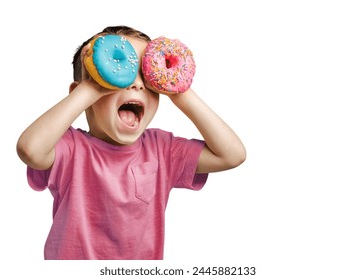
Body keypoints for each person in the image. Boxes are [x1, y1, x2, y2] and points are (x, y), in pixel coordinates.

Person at [16, 25, 246, 260]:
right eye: (118, 72)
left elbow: (232, 155)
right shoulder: (70, 148)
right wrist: (92, 87)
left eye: (146, 77)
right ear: (82, 94)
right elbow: (30, 149)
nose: (136, 84)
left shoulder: (161, 149)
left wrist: (180, 92)